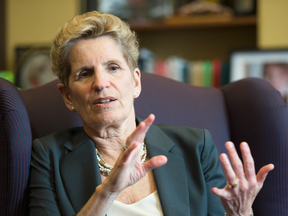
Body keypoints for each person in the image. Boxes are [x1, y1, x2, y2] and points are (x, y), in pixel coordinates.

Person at [28, 11, 274, 216]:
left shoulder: (196, 147)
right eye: (84, 73)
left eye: (113, 67)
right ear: (68, 96)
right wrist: (107, 193)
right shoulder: (47, 156)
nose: (101, 83)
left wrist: (241, 213)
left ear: (136, 82)